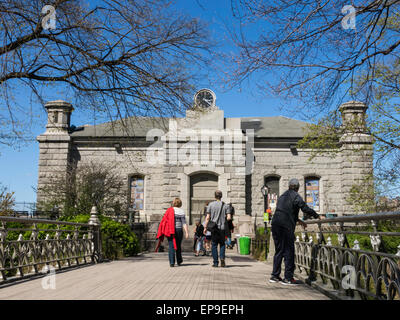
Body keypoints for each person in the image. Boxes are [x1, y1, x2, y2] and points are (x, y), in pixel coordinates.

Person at [269, 178, 320, 285]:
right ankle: (288, 277)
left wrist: (298, 220)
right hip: (285, 226)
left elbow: (286, 211)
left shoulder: (283, 196)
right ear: (297, 188)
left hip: (275, 224)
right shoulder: (296, 196)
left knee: (279, 250)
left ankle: (274, 276)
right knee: (289, 251)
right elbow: (305, 208)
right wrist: (317, 215)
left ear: (289, 186)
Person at [155, 197, 189, 267]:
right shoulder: (181, 211)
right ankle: (179, 261)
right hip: (179, 230)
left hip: (171, 230)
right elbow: (184, 223)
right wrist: (186, 232)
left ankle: (172, 262)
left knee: (171, 246)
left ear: (173, 203)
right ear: (180, 203)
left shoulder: (169, 210)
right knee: (178, 245)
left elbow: (164, 220)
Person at [204, 190, 232, 267]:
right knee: (222, 244)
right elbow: (229, 217)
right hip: (222, 228)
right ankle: (222, 258)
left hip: (214, 228)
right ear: (221, 196)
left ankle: (215, 262)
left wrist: (205, 228)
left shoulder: (210, 205)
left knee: (214, 245)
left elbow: (207, 217)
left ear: (215, 196)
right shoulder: (226, 206)